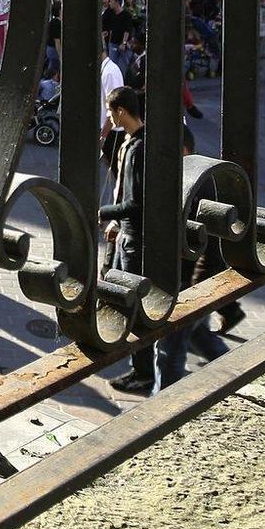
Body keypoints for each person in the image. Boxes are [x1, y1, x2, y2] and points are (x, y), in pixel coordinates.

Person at [101, 87, 156, 394]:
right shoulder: (134, 142)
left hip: (133, 237)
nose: (109, 118)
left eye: (111, 113)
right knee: (123, 296)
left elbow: (135, 203)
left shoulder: (137, 148)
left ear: (121, 112)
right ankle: (137, 362)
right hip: (127, 232)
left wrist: (104, 211)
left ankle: (142, 370)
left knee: (130, 301)